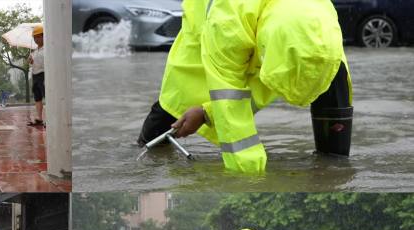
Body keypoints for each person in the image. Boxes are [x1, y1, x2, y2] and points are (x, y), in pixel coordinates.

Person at [138, 0, 352, 173]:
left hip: (273, 29)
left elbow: (276, 79)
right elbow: (230, 104)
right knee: (170, 112)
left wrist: (206, 114)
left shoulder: (321, 22)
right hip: (208, 34)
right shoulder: (226, 25)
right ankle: (148, 151)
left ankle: (334, 165)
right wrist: (249, 181)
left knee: (333, 80)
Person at [28, 25, 45, 127]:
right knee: (37, 97)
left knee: (46, 96)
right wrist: (30, 61)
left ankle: (50, 119)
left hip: (44, 74)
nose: (36, 39)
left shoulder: (47, 49)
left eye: (38, 36)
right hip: (35, 75)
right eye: (35, 37)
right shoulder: (34, 52)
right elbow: (32, 65)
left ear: (43, 36)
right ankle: (39, 119)